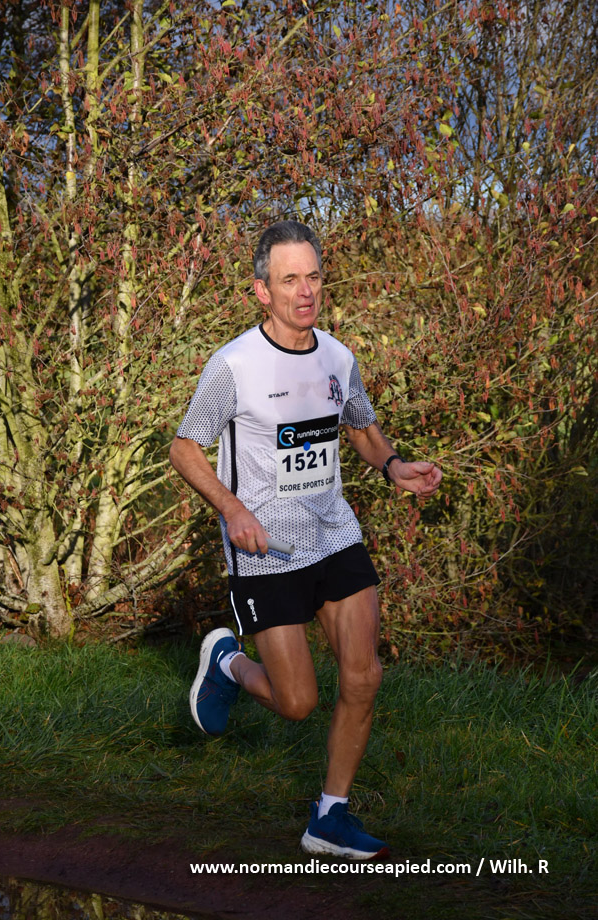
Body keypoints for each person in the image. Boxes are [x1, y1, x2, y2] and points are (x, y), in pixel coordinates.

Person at [169, 220, 442, 860]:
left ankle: (329, 816)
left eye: (313, 276)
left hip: (334, 534)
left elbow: (361, 426)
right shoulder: (233, 365)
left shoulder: (337, 357)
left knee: (364, 676)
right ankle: (227, 663)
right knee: (297, 703)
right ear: (262, 291)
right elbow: (184, 448)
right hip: (266, 549)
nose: (305, 291)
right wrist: (233, 509)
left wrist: (394, 465)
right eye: (289, 279)